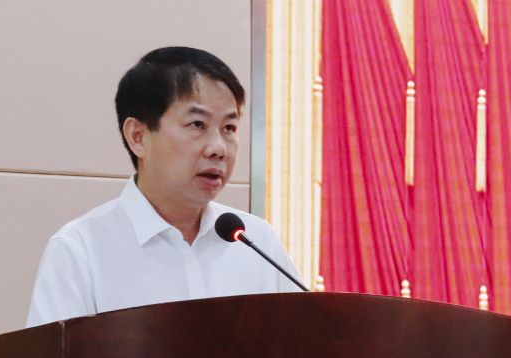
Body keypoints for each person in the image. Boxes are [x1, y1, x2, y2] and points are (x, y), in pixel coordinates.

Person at [26, 47, 303, 326]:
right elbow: (54, 356)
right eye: (197, 124)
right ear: (138, 136)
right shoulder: (80, 250)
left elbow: (306, 343)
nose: (218, 148)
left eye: (229, 128)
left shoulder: (257, 241)